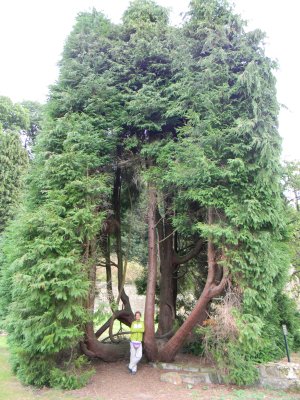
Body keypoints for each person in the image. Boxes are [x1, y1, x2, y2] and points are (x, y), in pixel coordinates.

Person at [128, 311, 144, 375]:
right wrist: (138, 329)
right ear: (135, 316)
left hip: (139, 341)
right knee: (132, 356)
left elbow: (143, 330)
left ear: (140, 316)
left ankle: (130, 365)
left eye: (138, 315)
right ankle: (133, 370)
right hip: (133, 341)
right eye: (136, 315)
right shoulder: (133, 323)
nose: (137, 316)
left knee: (139, 356)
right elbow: (132, 330)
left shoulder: (142, 323)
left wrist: (136, 330)